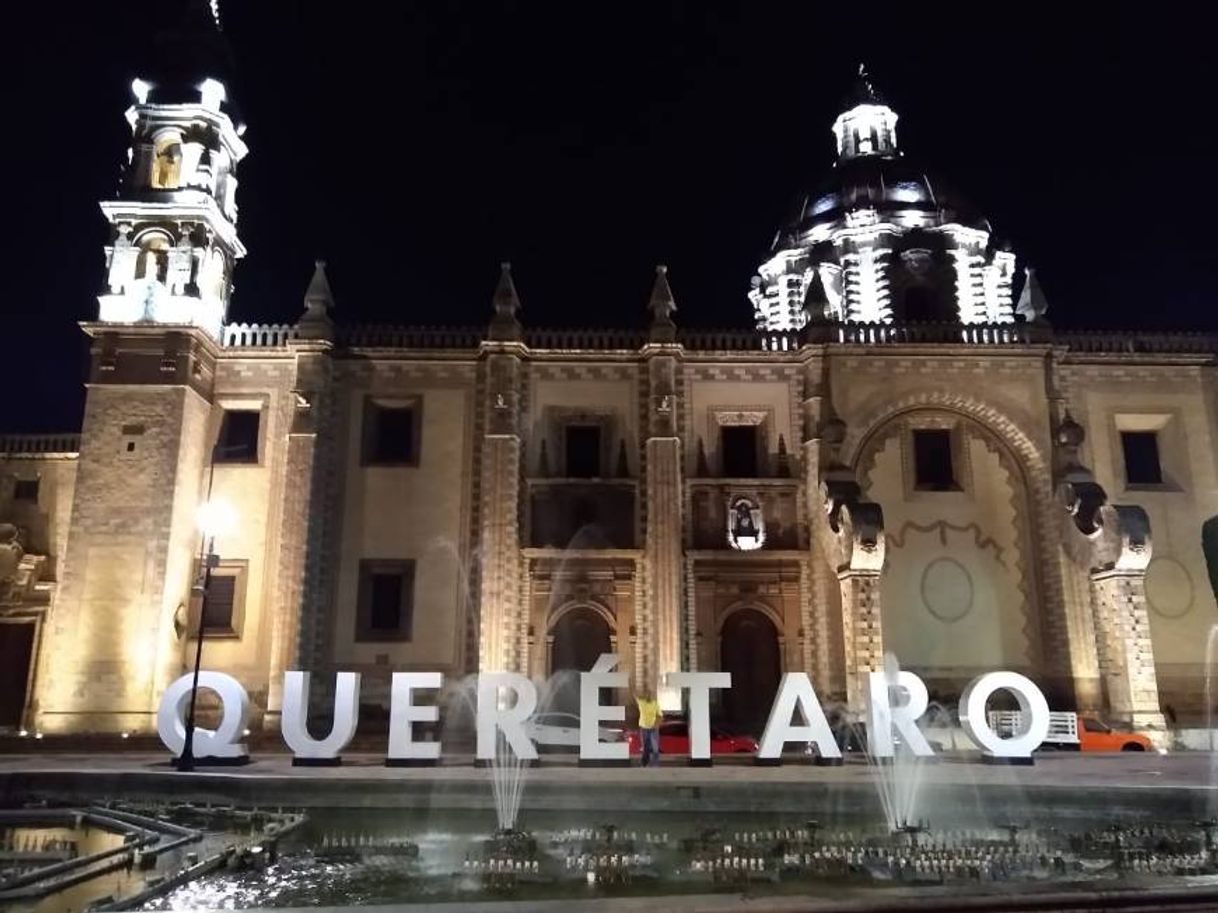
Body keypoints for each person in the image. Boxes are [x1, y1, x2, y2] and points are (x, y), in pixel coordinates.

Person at [636, 691, 661, 767]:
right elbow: (634, 694)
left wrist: (656, 725)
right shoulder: (641, 702)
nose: (649, 696)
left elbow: (660, 715)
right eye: (647, 695)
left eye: (650, 695)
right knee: (645, 748)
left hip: (653, 729)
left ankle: (655, 765)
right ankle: (644, 764)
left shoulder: (655, 703)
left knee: (655, 748)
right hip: (644, 728)